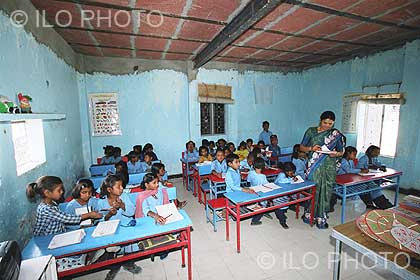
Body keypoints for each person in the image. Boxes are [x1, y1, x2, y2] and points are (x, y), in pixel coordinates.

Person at [299, 111, 345, 229]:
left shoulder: (335, 134)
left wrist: (336, 154)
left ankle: (321, 217)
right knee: (313, 189)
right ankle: (309, 214)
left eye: (330, 124)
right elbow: (301, 147)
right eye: (325, 122)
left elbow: (341, 151)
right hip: (314, 165)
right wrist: (311, 148)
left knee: (326, 190)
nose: (327, 126)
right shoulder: (311, 131)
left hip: (329, 166)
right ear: (320, 120)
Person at [26, 176, 102, 236]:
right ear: (47, 193)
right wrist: (89, 215)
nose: (62, 192)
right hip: (47, 238)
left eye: (62, 189)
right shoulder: (46, 209)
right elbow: (67, 219)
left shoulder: (52, 203)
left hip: (57, 234)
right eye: (59, 190)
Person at [97, 175, 141, 277]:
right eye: (119, 186)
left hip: (125, 224)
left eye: (122, 186)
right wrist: (109, 214)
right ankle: (114, 266)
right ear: (109, 189)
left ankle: (128, 262)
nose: (122, 188)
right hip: (110, 228)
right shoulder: (101, 202)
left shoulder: (124, 196)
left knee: (131, 241)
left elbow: (132, 212)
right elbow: (100, 221)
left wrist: (123, 206)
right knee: (110, 245)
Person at [135, 173, 171, 260]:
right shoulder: (142, 196)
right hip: (148, 217)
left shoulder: (160, 190)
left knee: (169, 224)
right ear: (147, 185)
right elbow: (146, 210)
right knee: (154, 230)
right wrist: (155, 216)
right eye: (154, 183)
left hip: (161, 214)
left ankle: (163, 249)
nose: (157, 184)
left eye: (157, 182)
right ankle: (156, 249)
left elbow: (165, 202)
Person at [247, 158, 289, 228]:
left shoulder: (251, 173)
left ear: (253, 166)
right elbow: (267, 185)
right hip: (261, 193)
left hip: (253, 191)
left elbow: (248, 180)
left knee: (261, 205)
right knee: (262, 206)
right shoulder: (262, 176)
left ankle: (265, 212)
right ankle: (255, 220)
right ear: (263, 167)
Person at [357, 145, 393, 209]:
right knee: (370, 188)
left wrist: (382, 166)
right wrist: (368, 167)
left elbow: (380, 164)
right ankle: (381, 205)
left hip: (371, 177)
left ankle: (381, 204)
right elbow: (359, 168)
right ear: (371, 151)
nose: (378, 154)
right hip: (362, 178)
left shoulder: (374, 159)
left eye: (378, 152)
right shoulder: (363, 158)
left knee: (374, 188)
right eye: (376, 152)